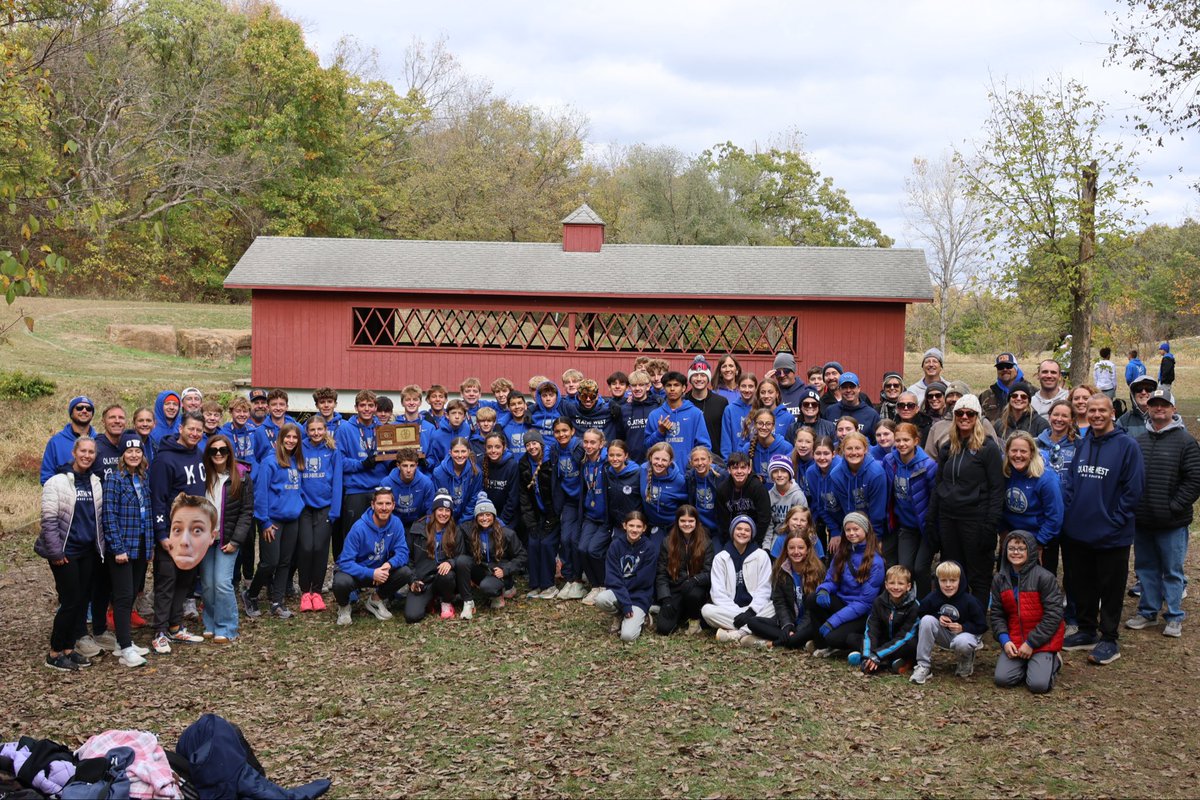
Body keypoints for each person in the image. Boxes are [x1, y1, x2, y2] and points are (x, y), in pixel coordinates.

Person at [1060, 394, 1145, 665]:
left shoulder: (1127, 446)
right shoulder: (1084, 444)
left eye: (1102, 410)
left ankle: (1109, 638)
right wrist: (1071, 514)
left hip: (1112, 534)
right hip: (1079, 531)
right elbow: (1071, 481)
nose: (1096, 415)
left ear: (1112, 414)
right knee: (1082, 584)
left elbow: (1133, 490)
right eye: (1092, 410)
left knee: (1110, 587)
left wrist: (1116, 519)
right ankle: (1087, 630)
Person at [1126, 389, 1200, 639]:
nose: (1159, 408)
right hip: (1143, 520)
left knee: (1172, 570)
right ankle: (1148, 612)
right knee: (1146, 568)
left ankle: (1174, 616)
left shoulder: (1186, 441)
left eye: (1164, 405)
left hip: (1172, 522)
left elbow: (1194, 480)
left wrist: (1173, 506)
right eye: (1155, 404)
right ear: (1148, 408)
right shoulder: (1138, 440)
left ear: (1173, 409)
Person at [929, 395, 1004, 607]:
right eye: (959, 413)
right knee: (953, 569)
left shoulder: (988, 448)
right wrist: (931, 519)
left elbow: (997, 489)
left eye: (969, 413)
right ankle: (955, 614)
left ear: (977, 417)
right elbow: (938, 485)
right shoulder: (948, 447)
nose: (964, 417)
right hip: (948, 518)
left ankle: (977, 620)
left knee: (978, 572)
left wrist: (990, 526)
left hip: (975, 519)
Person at [38, 437, 104, 671]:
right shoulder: (57, 482)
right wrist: (55, 551)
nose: (87, 455)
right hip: (65, 552)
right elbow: (48, 521)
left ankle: (68, 648)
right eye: (83, 451)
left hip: (87, 552)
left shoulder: (95, 481)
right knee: (69, 601)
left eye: (91, 452)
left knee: (80, 600)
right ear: (74, 453)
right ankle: (54, 652)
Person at [149, 411, 207, 654]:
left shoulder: (198, 454)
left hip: (192, 532)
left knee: (185, 580)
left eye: (199, 431)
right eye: (191, 429)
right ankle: (160, 631)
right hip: (172, 532)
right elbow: (158, 498)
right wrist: (162, 533)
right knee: (167, 581)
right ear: (181, 429)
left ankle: (175, 625)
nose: (195, 434)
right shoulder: (164, 460)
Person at [990, 530, 1065, 694]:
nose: (1015, 552)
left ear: (1030, 551)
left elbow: (1054, 615)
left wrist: (1031, 643)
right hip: (1015, 638)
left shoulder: (1044, 577)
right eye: (1011, 548)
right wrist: (1004, 640)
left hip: (1041, 639)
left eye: (1021, 548)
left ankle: (1053, 660)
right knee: (1002, 679)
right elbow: (996, 613)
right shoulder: (999, 579)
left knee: (1038, 685)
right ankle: (1029, 664)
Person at [101, 435, 154, 667]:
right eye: (129, 452)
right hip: (123, 547)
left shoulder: (142, 478)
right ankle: (124, 648)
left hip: (141, 545)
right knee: (122, 598)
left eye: (138, 452)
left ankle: (127, 641)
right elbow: (109, 516)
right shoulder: (115, 479)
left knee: (132, 593)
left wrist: (150, 546)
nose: (134, 455)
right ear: (122, 455)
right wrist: (117, 547)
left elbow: (148, 514)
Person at [805, 512, 885, 658]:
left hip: (862, 613)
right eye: (848, 530)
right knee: (813, 598)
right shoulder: (842, 552)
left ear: (865, 530)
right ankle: (822, 645)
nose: (851, 533)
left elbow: (865, 602)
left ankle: (854, 644)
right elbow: (832, 580)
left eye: (856, 529)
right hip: (843, 603)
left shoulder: (876, 562)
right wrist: (824, 589)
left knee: (833, 636)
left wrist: (833, 621)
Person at [199, 434, 253, 643]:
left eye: (223, 450)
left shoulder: (242, 476)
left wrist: (236, 541)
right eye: (214, 450)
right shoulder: (203, 475)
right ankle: (211, 622)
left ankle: (227, 626)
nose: (219, 454)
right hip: (204, 539)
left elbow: (246, 512)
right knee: (208, 584)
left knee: (222, 582)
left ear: (230, 453)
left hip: (228, 538)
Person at [333, 487, 409, 626]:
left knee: (405, 572)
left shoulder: (396, 523)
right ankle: (344, 607)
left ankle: (376, 599)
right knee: (340, 582)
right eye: (380, 504)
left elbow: (403, 552)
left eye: (387, 504)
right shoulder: (359, 528)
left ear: (393, 505)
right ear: (373, 505)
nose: (384, 508)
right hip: (359, 573)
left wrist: (389, 564)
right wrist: (371, 573)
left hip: (382, 573)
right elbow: (344, 562)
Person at [251, 423, 304, 619]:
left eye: (295, 438)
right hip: (272, 520)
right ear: (280, 439)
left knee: (285, 562)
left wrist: (299, 505)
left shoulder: (296, 461)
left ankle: (277, 602)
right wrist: (264, 521)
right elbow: (261, 493)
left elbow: (299, 489)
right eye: (287, 437)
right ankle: (251, 594)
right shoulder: (269, 462)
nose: (291, 441)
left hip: (292, 519)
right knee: (270, 562)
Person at [743, 528, 824, 649]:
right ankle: (797, 641)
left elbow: (814, 608)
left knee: (816, 628)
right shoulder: (781, 570)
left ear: (807, 550)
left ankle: (772, 643)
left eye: (801, 548)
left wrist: (798, 630)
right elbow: (779, 602)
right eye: (791, 548)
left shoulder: (818, 570)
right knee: (752, 622)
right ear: (786, 549)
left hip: (810, 622)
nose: (796, 552)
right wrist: (787, 626)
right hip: (790, 619)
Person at [909, 560, 987, 685]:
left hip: (966, 636)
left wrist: (963, 627)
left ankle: (966, 658)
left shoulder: (970, 601)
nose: (948, 585)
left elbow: (982, 625)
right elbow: (921, 612)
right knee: (927, 620)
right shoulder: (933, 597)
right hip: (945, 635)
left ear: (960, 581)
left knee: (962, 642)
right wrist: (937, 616)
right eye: (943, 581)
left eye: (953, 580)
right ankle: (923, 666)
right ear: (937, 581)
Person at [701, 515, 775, 645]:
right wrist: (740, 613)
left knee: (775, 606)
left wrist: (751, 611)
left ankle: (738, 634)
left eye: (747, 530)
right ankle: (753, 630)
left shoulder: (761, 556)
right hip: (732, 611)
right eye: (739, 528)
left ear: (752, 534)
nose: (742, 532)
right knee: (706, 610)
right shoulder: (721, 558)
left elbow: (765, 589)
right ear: (732, 532)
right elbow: (718, 594)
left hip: (755, 610)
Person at [883, 422, 937, 596]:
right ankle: (906, 607)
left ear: (916, 441)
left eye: (906, 440)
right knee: (904, 569)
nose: (901, 444)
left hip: (925, 527)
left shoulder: (928, 466)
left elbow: (935, 500)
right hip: (906, 526)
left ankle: (924, 607)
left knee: (920, 569)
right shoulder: (890, 461)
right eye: (898, 440)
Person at [334, 390, 389, 560]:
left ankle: (374, 574)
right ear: (356, 408)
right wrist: (362, 464)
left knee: (377, 535)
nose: (366, 409)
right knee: (352, 534)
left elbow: (390, 458)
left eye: (370, 405)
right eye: (362, 405)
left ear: (375, 407)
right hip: (355, 489)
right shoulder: (344, 429)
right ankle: (349, 574)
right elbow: (339, 462)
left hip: (379, 489)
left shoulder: (383, 429)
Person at [593, 511, 659, 642]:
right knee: (601, 599)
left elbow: (644, 580)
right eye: (631, 525)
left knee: (627, 636)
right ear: (625, 526)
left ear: (644, 528)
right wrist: (625, 603)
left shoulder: (649, 548)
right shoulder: (615, 545)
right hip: (620, 593)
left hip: (639, 596)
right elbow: (612, 577)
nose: (634, 530)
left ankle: (643, 615)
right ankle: (619, 615)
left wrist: (627, 599)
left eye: (638, 526)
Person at [298, 416, 342, 612]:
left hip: (325, 507)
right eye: (312, 430)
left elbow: (338, 482)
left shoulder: (332, 450)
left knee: (320, 549)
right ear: (307, 431)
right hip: (304, 507)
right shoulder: (300, 448)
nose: (316, 433)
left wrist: (335, 510)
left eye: (319, 429)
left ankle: (316, 591)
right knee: (306, 548)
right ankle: (305, 592)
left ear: (325, 430)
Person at [458, 494, 526, 619]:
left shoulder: (507, 533)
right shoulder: (471, 532)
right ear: (476, 517)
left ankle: (504, 590)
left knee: (487, 587)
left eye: (488, 515)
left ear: (494, 516)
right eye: (481, 515)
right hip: (482, 569)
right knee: (462, 561)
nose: (484, 518)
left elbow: (522, 556)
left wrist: (506, 570)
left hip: (499, 572)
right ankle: (468, 602)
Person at [406, 489, 468, 622]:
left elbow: (462, 557)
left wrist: (450, 562)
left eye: (447, 510)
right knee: (412, 616)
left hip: (444, 579)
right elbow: (408, 559)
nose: (443, 514)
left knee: (447, 575)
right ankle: (430, 600)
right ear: (434, 511)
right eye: (440, 509)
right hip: (423, 580)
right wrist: (413, 580)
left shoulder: (456, 531)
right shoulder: (418, 529)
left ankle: (446, 601)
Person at [653, 506, 714, 636]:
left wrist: (695, 580)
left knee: (694, 596)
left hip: (696, 588)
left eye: (691, 521)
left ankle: (694, 620)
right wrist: (665, 599)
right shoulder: (667, 542)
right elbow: (662, 573)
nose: (687, 524)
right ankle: (678, 612)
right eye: (683, 520)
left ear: (696, 522)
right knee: (663, 628)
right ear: (677, 522)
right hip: (675, 587)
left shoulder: (706, 542)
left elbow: (709, 572)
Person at [1001, 432, 1063, 555]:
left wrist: (1039, 543)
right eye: (1014, 451)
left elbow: (1055, 517)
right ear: (1007, 452)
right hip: (1012, 538)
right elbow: (998, 506)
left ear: (1032, 453)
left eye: (1023, 451)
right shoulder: (1004, 474)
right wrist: (1003, 532)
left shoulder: (1046, 479)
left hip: (1040, 538)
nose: (1018, 455)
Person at [850, 564, 919, 675]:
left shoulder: (914, 606)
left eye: (901, 583)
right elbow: (871, 629)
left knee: (912, 645)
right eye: (892, 583)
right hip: (885, 641)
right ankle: (869, 659)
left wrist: (877, 655)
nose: (896, 587)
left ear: (908, 586)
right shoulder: (879, 602)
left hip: (901, 644)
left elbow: (904, 637)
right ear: (886, 585)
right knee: (853, 638)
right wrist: (868, 655)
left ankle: (894, 662)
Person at [828, 431, 888, 557]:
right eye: (849, 448)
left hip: (875, 526)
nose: (854, 452)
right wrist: (849, 532)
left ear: (865, 449)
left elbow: (878, 510)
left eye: (858, 448)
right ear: (842, 450)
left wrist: (875, 539)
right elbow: (845, 507)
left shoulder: (876, 473)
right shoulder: (836, 475)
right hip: (851, 526)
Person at [518, 430, 560, 599]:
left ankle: (548, 584)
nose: (531, 447)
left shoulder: (551, 461)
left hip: (553, 513)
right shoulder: (524, 464)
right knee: (533, 543)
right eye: (528, 445)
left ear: (541, 444)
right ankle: (535, 584)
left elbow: (556, 493)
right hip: (537, 513)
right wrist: (531, 523)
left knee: (547, 543)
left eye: (534, 443)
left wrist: (552, 518)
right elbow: (524, 497)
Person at [547, 417, 585, 599]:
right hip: (568, 500)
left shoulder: (579, 448)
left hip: (582, 501)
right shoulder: (555, 449)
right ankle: (569, 578)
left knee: (576, 540)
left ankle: (578, 579)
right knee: (565, 538)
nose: (561, 434)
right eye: (557, 431)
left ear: (572, 431)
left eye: (564, 431)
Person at [644, 370, 712, 455]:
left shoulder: (695, 414)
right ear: (664, 388)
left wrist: (692, 466)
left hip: (688, 467)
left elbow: (704, 446)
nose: (672, 389)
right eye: (668, 385)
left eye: (676, 385)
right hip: (662, 467)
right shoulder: (655, 415)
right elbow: (648, 446)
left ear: (683, 388)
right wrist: (660, 432)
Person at [714, 451, 772, 550]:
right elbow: (722, 521)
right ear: (729, 470)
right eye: (735, 468)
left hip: (755, 537)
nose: (739, 471)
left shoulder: (758, 488)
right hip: (732, 537)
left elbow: (764, 518)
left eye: (743, 467)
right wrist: (730, 542)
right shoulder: (722, 490)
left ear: (749, 469)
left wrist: (755, 542)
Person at [578, 429, 610, 604]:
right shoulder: (583, 463)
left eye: (593, 442)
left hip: (605, 517)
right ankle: (594, 586)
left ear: (601, 444)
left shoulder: (606, 463)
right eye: (586, 442)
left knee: (594, 550)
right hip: (590, 515)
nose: (588, 446)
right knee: (582, 548)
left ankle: (604, 585)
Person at [40, 395, 96, 485]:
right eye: (79, 408)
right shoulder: (56, 442)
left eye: (88, 408)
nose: (84, 411)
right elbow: (46, 477)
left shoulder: (99, 440)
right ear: (71, 413)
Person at [639, 441, 689, 540]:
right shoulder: (643, 470)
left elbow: (687, 504)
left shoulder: (679, 480)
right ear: (650, 458)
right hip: (651, 524)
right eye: (656, 458)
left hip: (672, 525)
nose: (659, 463)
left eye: (664, 460)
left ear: (670, 462)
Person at [430, 437, 483, 522]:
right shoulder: (439, 473)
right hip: (444, 518)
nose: (460, 455)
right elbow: (437, 500)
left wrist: (462, 522)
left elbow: (474, 499)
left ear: (469, 452)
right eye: (456, 451)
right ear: (450, 452)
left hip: (467, 520)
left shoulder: (476, 472)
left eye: (463, 451)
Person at [685, 356, 728, 456]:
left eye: (703, 375)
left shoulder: (721, 402)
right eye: (695, 375)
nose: (699, 379)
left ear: (708, 378)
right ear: (690, 378)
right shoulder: (683, 401)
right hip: (689, 459)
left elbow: (726, 435)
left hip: (716, 459)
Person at [821, 373, 881, 443]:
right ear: (839, 389)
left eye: (852, 387)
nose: (848, 390)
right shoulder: (830, 411)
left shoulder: (871, 415)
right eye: (844, 387)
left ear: (859, 388)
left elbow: (877, 443)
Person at [766, 455, 807, 555]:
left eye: (783, 471)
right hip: (776, 537)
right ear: (771, 475)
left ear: (790, 474)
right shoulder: (769, 495)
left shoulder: (798, 496)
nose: (779, 475)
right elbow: (769, 525)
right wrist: (766, 547)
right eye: (775, 471)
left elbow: (804, 524)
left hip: (795, 537)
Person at [740, 408, 792, 482]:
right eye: (760, 423)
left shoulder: (786, 448)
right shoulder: (747, 448)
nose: (764, 427)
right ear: (755, 424)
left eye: (768, 424)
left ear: (773, 426)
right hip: (756, 493)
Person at [618, 370, 658, 464]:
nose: (637, 388)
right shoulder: (624, 410)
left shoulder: (656, 407)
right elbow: (620, 437)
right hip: (631, 462)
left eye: (641, 385)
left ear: (648, 387)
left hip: (653, 461)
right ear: (629, 388)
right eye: (634, 385)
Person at [979, 353, 1025, 422]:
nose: (1005, 369)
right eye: (1000, 367)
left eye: (1008, 366)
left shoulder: (1031, 392)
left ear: (1016, 368)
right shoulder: (985, 396)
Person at [767, 351, 808, 418]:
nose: (782, 375)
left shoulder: (805, 392)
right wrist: (766, 385)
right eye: (778, 372)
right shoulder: (772, 393)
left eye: (786, 371)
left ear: (793, 371)